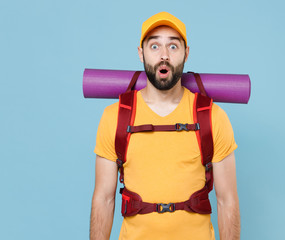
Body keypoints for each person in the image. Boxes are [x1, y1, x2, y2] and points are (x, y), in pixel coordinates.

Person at [90, 12, 240, 240]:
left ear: (186, 53)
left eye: (173, 46)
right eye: (154, 46)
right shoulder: (115, 117)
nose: (163, 56)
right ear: (141, 53)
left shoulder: (213, 117)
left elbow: (227, 200)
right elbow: (103, 198)